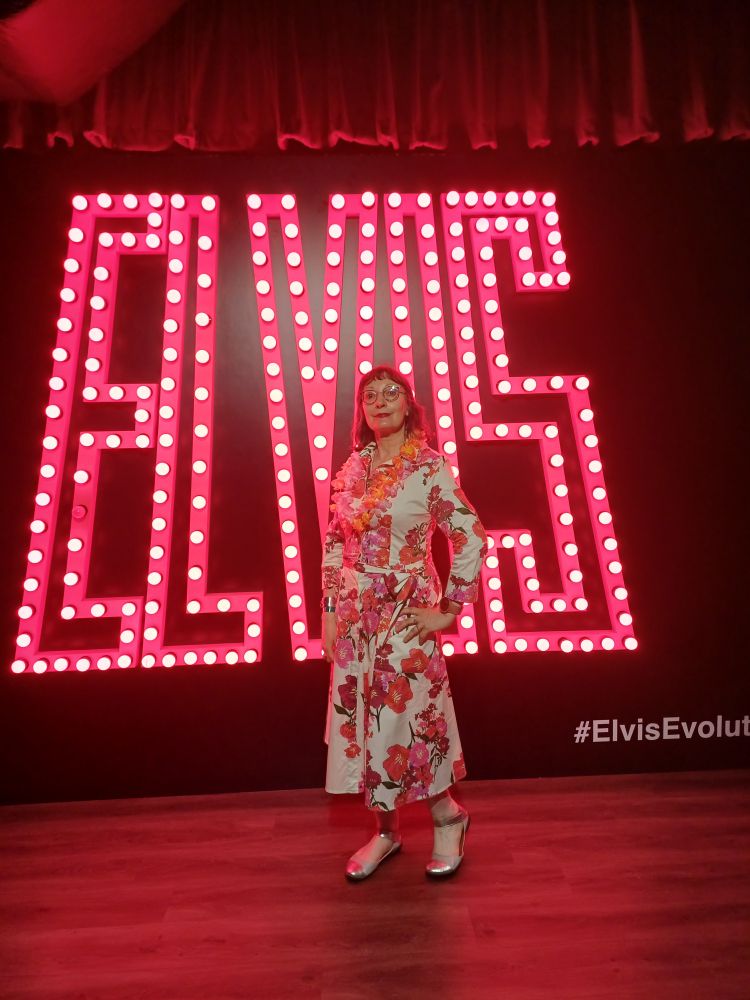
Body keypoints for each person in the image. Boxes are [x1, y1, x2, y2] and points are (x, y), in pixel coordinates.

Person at [321, 364, 488, 880]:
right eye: (369, 395)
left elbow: (471, 536)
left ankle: (447, 816)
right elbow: (334, 542)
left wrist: (449, 611)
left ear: (409, 405)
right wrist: (328, 612)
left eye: (391, 393)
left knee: (409, 718)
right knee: (362, 723)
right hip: (354, 617)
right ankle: (387, 832)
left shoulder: (428, 468)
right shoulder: (352, 469)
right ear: (362, 411)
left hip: (404, 610)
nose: (380, 401)